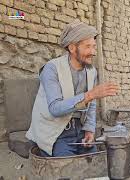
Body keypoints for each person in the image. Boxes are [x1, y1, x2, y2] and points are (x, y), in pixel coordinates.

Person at [26, 20, 119, 157]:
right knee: (66, 169)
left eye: (94, 47)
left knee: (93, 166)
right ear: (72, 48)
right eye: (88, 47)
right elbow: (55, 109)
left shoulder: (91, 71)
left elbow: (91, 104)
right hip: (55, 132)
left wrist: (89, 130)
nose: (93, 52)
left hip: (79, 130)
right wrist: (90, 95)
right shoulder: (52, 68)